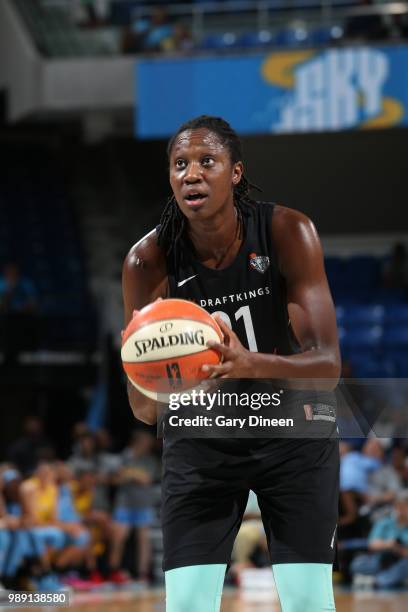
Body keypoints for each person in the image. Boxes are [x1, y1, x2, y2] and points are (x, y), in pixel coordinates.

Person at [122, 115, 341, 611]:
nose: (191, 174)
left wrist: (248, 363)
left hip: (291, 431)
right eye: (180, 164)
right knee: (187, 605)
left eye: (206, 161)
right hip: (203, 441)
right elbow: (143, 411)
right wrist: (143, 370)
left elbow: (327, 367)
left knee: (309, 601)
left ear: (235, 173)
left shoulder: (288, 230)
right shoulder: (148, 260)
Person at [350, 490, 408, 588]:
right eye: (400, 506)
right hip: (381, 559)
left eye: (405, 506)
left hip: (401, 561)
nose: (402, 510)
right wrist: (388, 545)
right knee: (357, 563)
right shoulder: (384, 522)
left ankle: (379, 581)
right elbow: (372, 544)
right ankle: (387, 578)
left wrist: (400, 550)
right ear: (395, 507)